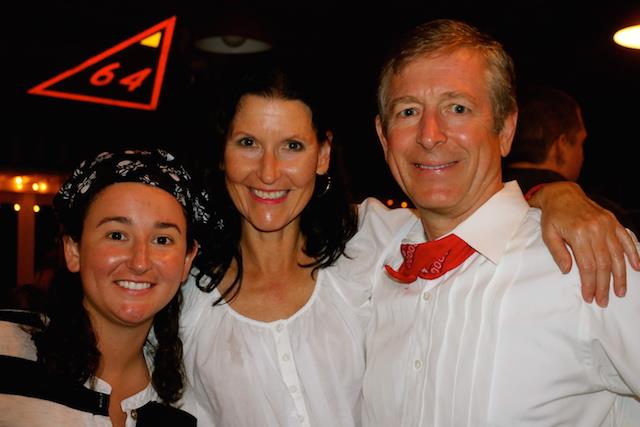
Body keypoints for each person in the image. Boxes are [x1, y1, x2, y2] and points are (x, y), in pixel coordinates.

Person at [179, 56, 639, 426]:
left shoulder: (368, 244)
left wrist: (555, 195)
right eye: (247, 143)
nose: (268, 171)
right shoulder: (184, 293)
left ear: (323, 155)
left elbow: (471, 211)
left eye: (292, 146)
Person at [361, 19, 640, 425]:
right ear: (383, 137)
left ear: (506, 129)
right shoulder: (370, 255)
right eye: (408, 111)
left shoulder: (587, 260)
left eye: (458, 108)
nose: (429, 134)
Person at [0, 149, 211, 426]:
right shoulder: (7, 349)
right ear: (73, 250)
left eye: (162, 240)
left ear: (187, 260)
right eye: (117, 235)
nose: (139, 262)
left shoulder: (186, 405)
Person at [504, 84, 638, 234]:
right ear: (561, 145)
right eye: (581, 142)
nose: (582, 156)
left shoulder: (488, 196)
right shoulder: (598, 216)